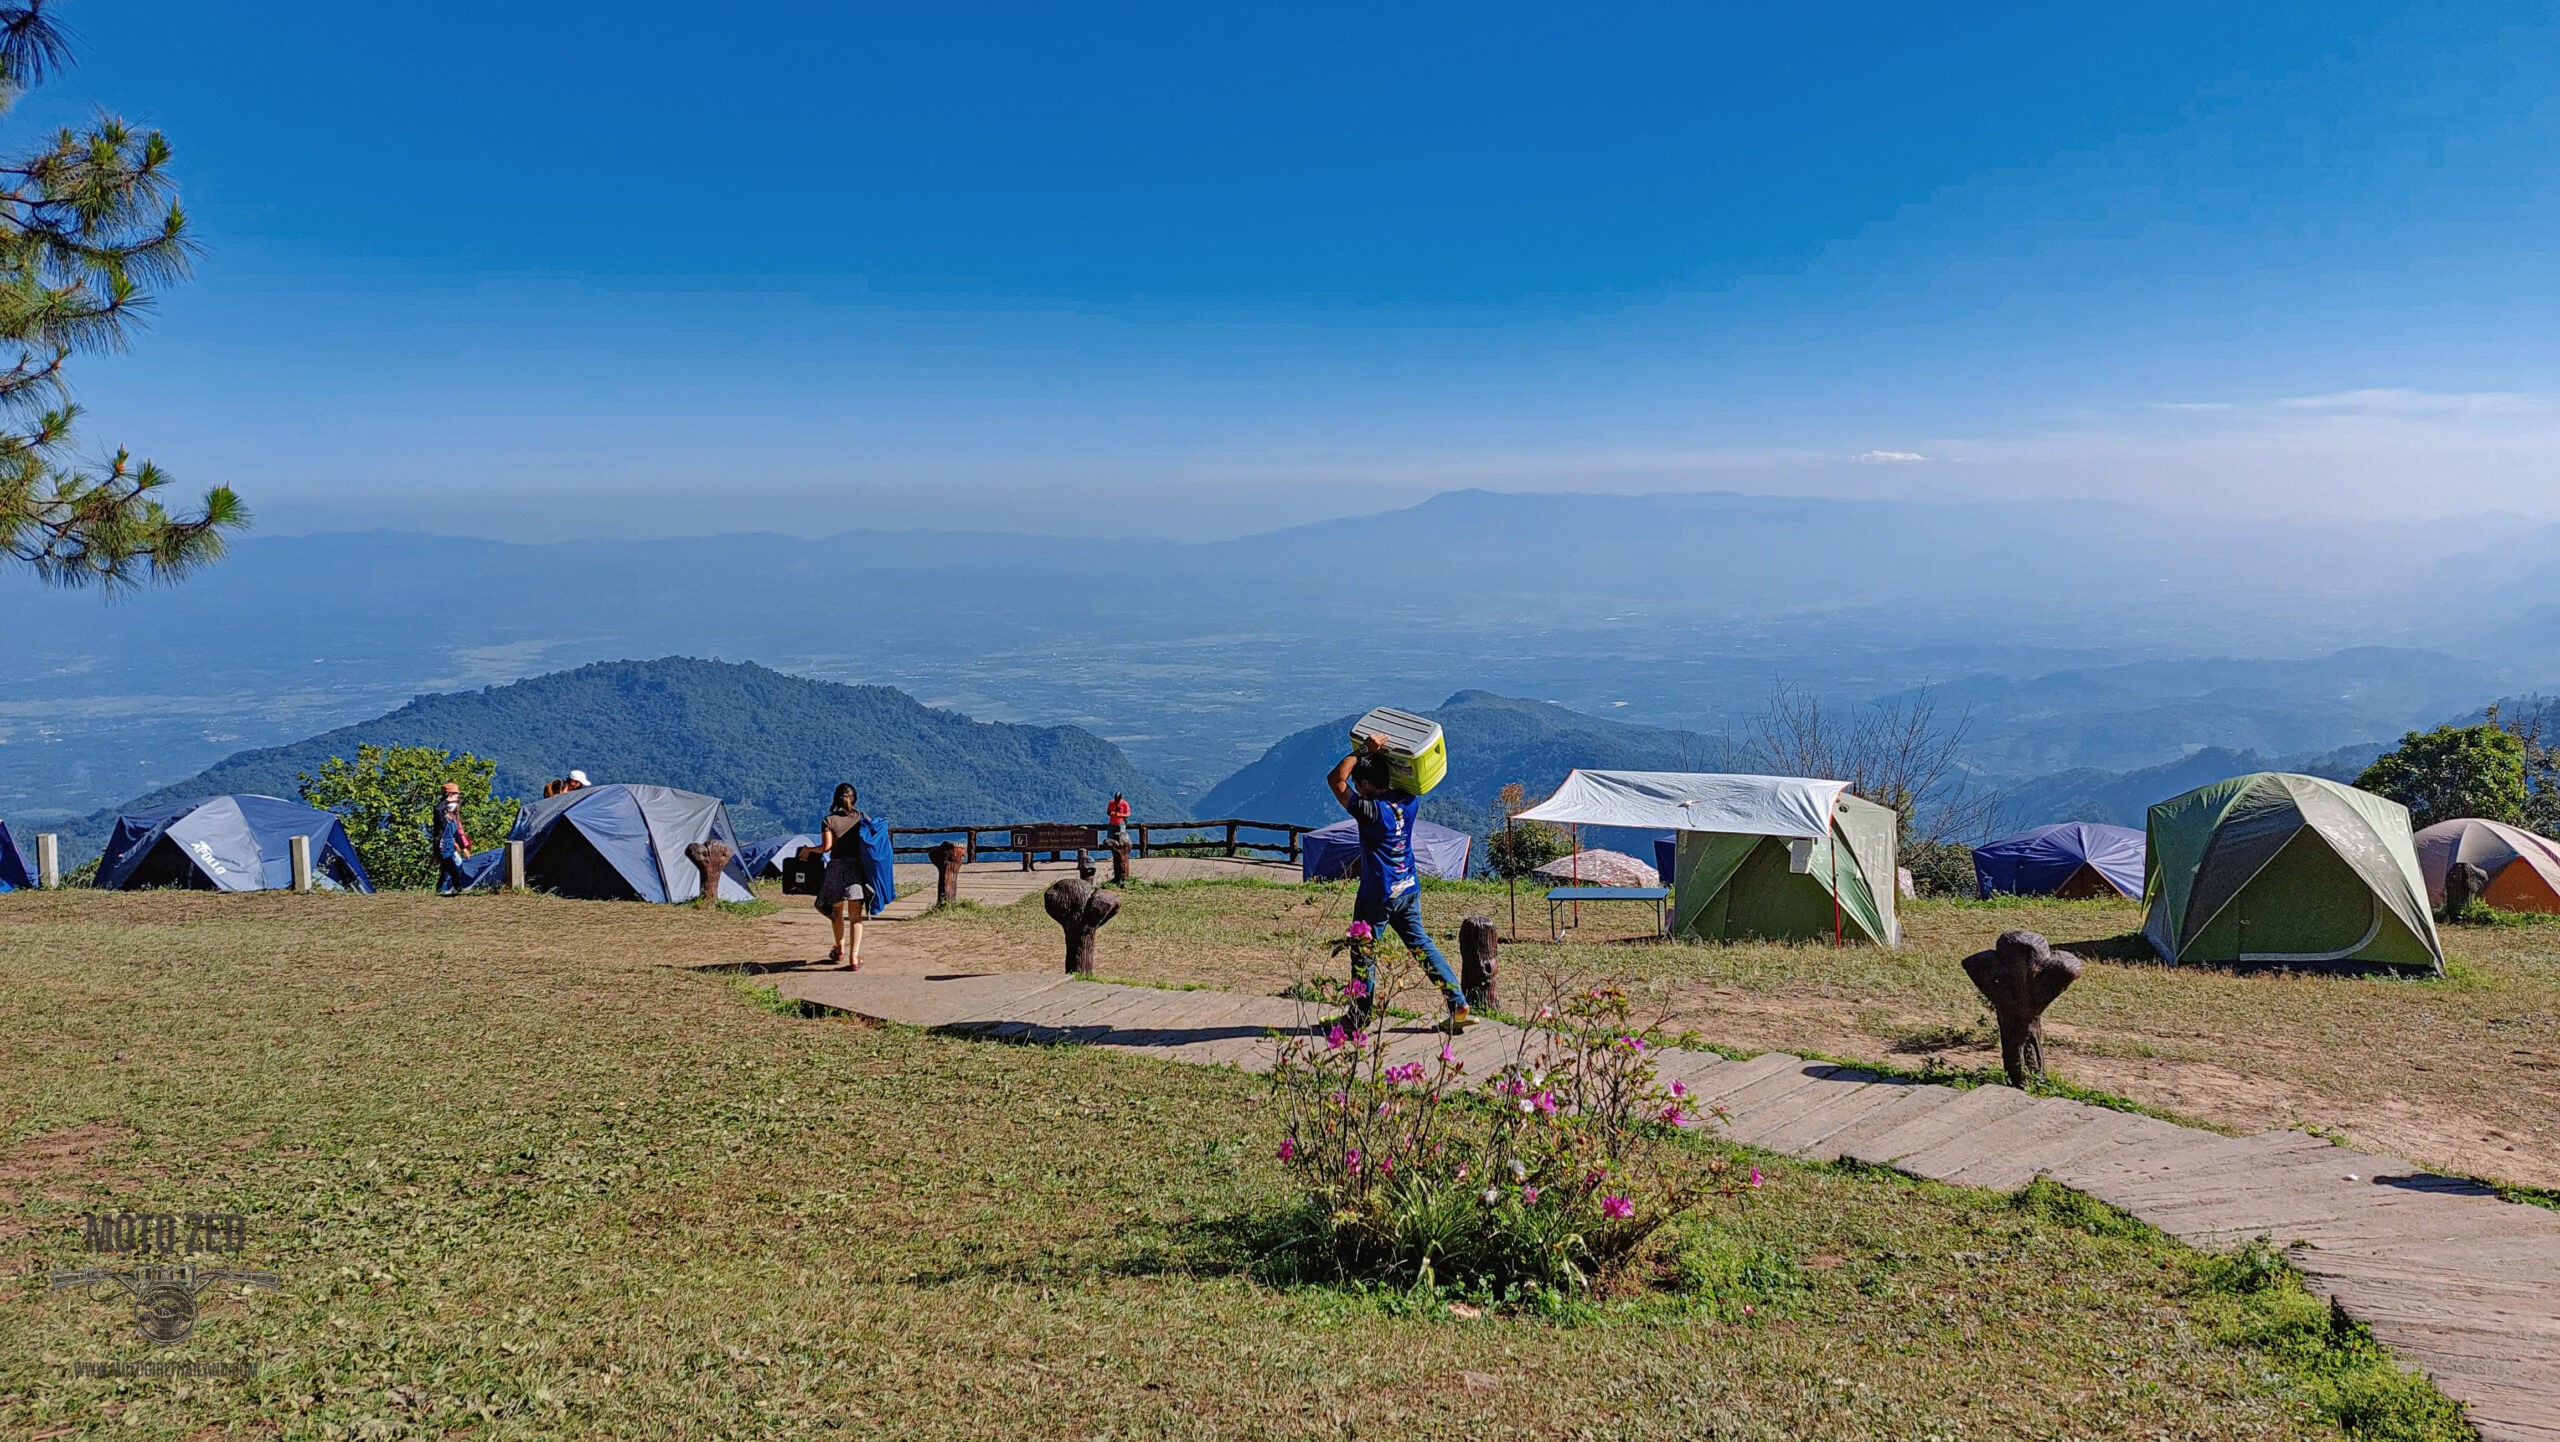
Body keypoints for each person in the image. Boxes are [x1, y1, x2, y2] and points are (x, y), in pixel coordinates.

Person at [1328, 733, 1470, 1031]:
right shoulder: (1409, 802)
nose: (1356, 788)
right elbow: (1397, 781)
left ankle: (1358, 1018)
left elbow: (1335, 780)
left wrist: (1365, 749)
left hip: (1378, 894)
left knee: (1363, 952)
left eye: (1359, 785)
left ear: (1366, 785)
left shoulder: (1372, 812)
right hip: (1408, 888)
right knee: (1421, 946)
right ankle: (1458, 1002)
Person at [815, 782, 881, 968]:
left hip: (836, 868)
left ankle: (839, 949)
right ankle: (854, 957)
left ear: (836, 799)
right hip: (856, 870)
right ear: (855, 798)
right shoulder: (862, 819)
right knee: (855, 917)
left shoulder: (829, 820)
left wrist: (808, 850)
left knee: (836, 911)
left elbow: (826, 848)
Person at [428, 782, 472, 895]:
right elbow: (438, 809)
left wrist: (463, 847)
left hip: (448, 844)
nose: (458, 797)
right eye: (456, 794)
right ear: (451, 794)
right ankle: (457, 889)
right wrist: (448, 800)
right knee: (452, 869)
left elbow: (456, 833)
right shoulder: (441, 814)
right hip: (442, 844)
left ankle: (440, 890)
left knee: (446, 869)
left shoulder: (452, 817)